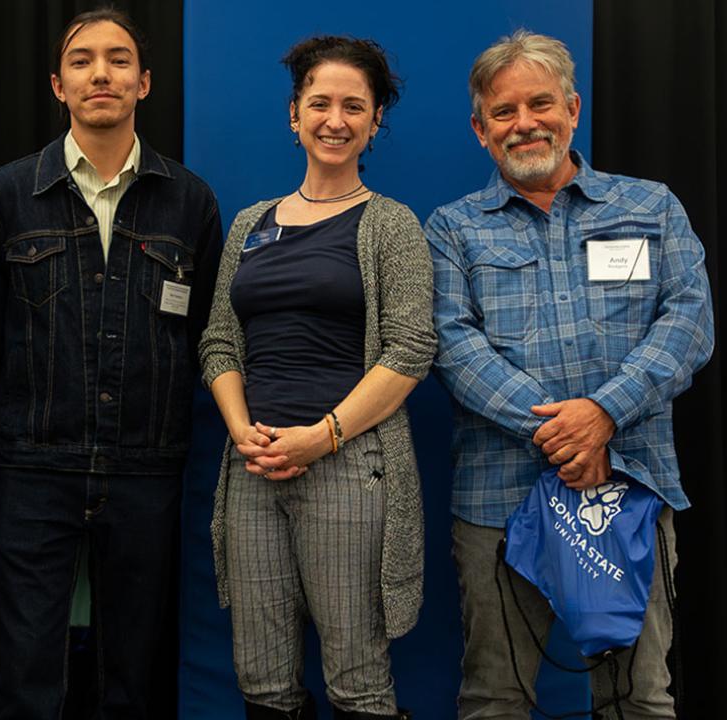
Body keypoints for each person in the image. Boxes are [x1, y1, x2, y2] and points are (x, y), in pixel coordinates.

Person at [424, 30, 715, 719]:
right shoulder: (451, 229)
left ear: (573, 109)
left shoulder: (651, 207)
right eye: (503, 111)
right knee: (495, 699)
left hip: (631, 486)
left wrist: (604, 415)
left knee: (638, 699)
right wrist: (566, 434)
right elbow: (453, 347)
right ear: (480, 130)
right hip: (498, 501)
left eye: (541, 103)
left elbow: (688, 322)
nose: (524, 123)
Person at [0, 8, 222, 719]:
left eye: (118, 59)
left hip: (146, 465)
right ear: (58, 85)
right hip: (33, 464)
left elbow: (205, 334)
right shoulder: (9, 194)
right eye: (82, 61)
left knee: (131, 673)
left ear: (145, 82)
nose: (100, 74)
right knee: (26, 671)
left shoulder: (190, 200)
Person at [200, 35, 436, 720]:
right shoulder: (251, 224)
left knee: (356, 679)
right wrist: (242, 431)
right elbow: (219, 341)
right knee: (262, 679)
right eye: (320, 103)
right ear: (294, 114)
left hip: (349, 463)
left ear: (376, 121)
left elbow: (411, 350)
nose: (336, 119)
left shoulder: (390, 224)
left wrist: (321, 436)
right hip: (253, 464)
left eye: (354, 106)